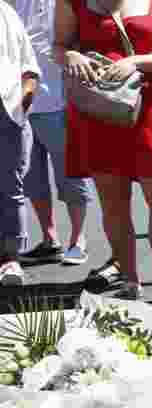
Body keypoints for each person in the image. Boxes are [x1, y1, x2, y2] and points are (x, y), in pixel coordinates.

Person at [54, 0, 152, 304]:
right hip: (100, 110)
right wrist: (71, 55)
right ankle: (130, 282)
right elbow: (58, 47)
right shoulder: (72, 3)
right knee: (114, 205)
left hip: (150, 106)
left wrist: (135, 62)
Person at [15, 0, 94, 268]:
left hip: (58, 101)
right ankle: (50, 240)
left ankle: (78, 239)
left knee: (71, 174)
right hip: (19, 104)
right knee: (32, 178)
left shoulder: (63, 3)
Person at [0, 1, 40, 288]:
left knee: (9, 187)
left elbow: (28, 64)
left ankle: (10, 259)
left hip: (7, 109)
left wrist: (25, 96)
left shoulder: (6, 12)